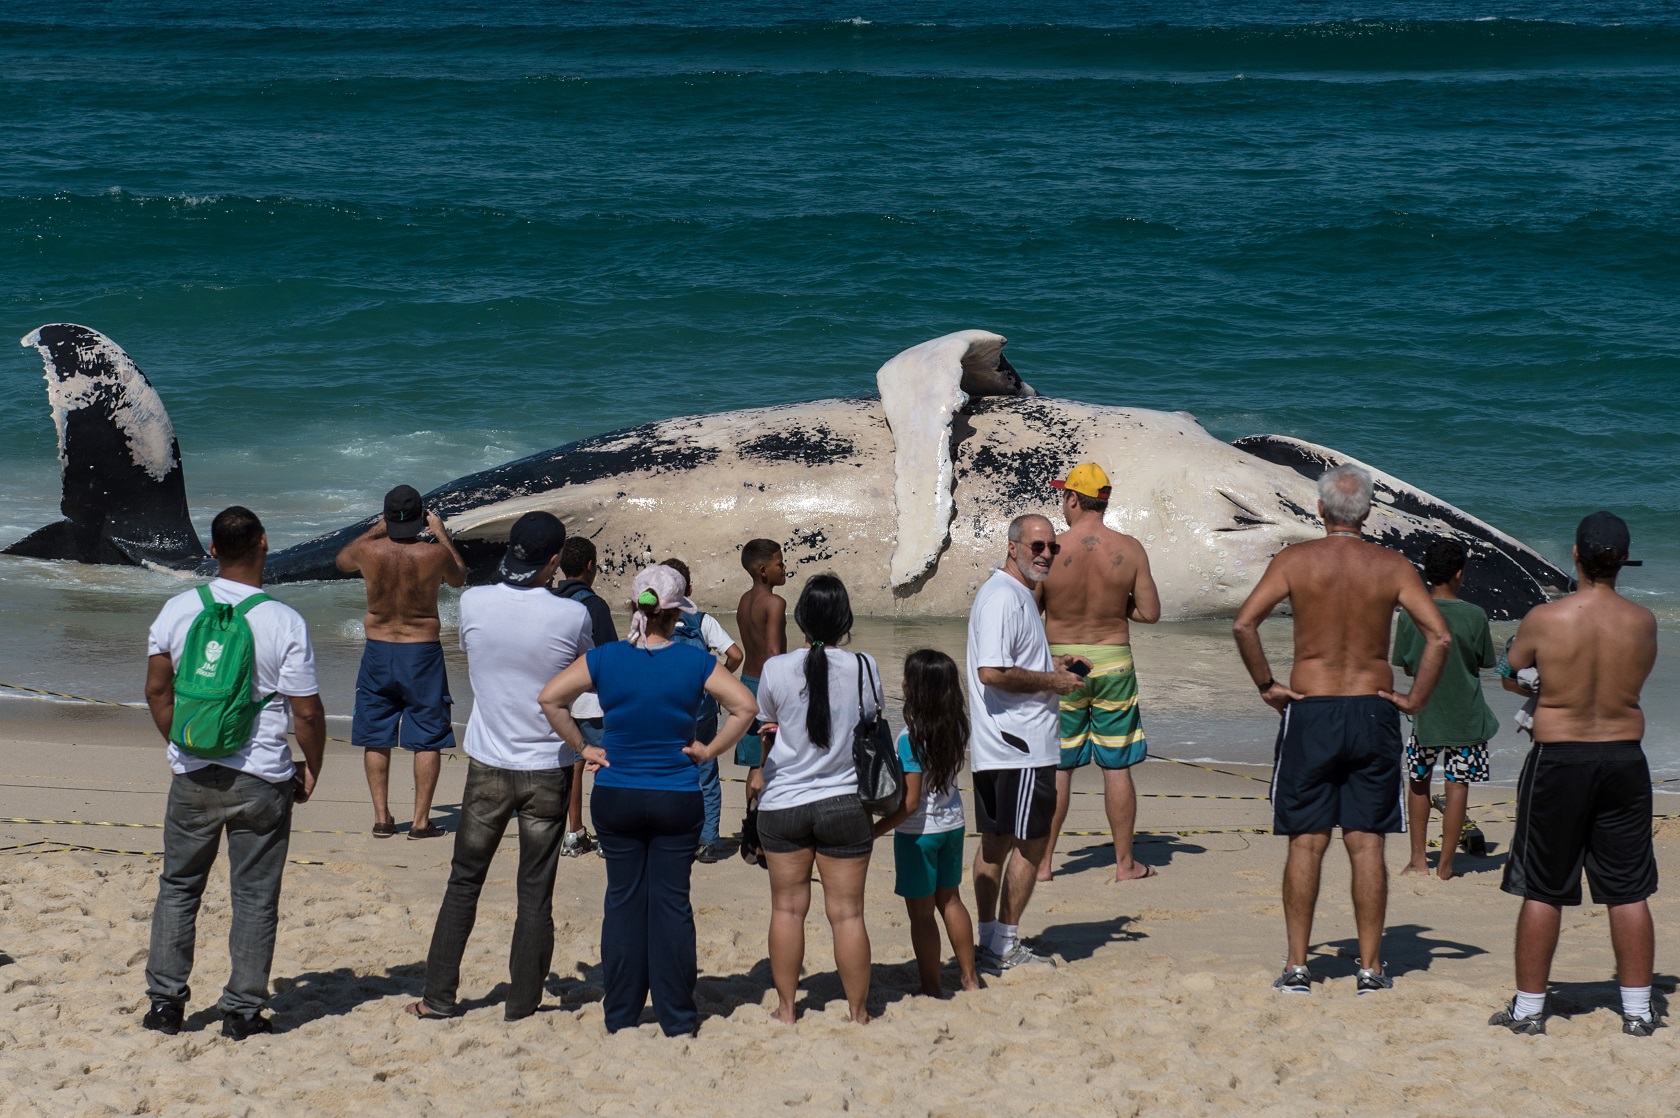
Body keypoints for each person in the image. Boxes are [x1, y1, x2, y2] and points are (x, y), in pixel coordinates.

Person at [1232, 463, 1450, 995]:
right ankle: (1371, 969)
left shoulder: (1296, 560)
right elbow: (1439, 637)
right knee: (1366, 844)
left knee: (1307, 843)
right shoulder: (1393, 565)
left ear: (1321, 510)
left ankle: (1298, 966)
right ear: (1369, 511)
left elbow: (1244, 623)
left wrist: (1266, 684)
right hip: (1372, 710)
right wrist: (1415, 699)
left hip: (1312, 708)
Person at [538, 565, 755, 1037]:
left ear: (637, 607)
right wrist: (709, 750)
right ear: (676, 612)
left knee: (623, 902)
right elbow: (746, 707)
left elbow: (550, 698)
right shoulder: (696, 662)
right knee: (672, 904)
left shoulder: (607, 658)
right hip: (677, 794)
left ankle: (620, 1015)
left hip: (618, 795)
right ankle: (677, 1018)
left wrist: (584, 748)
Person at [140, 506, 326, 1039]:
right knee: (254, 896)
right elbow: (307, 712)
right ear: (264, 543)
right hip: (263, 775)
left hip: (193, 773)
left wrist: (182, 742)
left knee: (178, 887)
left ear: (213, 549)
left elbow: (156, 690)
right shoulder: (283, 619)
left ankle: (165, 1006)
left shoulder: (177, 609)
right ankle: (242, 1012)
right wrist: (311, 766)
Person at [408, 513, 590, 1022]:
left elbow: (476, 651)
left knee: (463, 882)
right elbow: (587, 677)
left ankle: (439, 997)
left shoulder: (472, 601)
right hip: (547, 765)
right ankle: (523, 1002)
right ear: (555, 561)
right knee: (535, 890)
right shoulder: (571, 617)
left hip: (488, 763)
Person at [1489, 511, 1659, 1037]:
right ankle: (1637, 1010)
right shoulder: (1644, 622)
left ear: (1577, 556)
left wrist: (1529, 682)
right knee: (1628, 890)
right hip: (1624, 757)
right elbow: (1629, 678)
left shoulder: (1545, 618)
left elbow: (1510, 671)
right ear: (1622, 563)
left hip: (1559, 758)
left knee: (1544, 887)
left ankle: (1528, 1009)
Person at [754, 573, 881, 1024]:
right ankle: (859, 1012)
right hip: (844, 801)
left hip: (783, 801)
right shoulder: (864, 666)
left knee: (787, 909)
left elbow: (767, 725)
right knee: (847, 915)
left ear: (800, 618)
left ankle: (787, 1010)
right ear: (845, 620)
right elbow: (870, 719)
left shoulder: (775, 669)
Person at [967, 514, 1088, 972]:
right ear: (1012, 546)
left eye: (1052, 547)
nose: (1045, 554)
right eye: (1037, 546)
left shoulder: (1016, 593)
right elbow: (992, 673)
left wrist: (1051, 663)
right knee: (1030, 843)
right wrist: (1053, 682)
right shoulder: (1003, 596)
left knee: (996, 843)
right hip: (1019, 744)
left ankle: (989, 942)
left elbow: (1007, 659)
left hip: (1006, 741)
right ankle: (1002, 945)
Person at [1040, 462, 1162, 883]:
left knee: (1058, 767)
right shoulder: (1130, 549)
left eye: (1064, 495)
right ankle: (1125, 864)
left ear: (1072, 499)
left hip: (1061, 665)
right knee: (1116, 767)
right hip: (1113, 661)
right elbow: (1149, 612)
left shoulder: (1049, 549)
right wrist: (1114, 606)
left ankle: (1043, 863)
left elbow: (1028, 609)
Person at [335, 483, 466, 838]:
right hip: (421, 651)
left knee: (376, 735)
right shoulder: (434, 554)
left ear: (388, 516)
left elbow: (340, 560)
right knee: (427, 736)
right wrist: (440, 533)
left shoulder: (366, 550)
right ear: (421, 516)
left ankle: (382, 819)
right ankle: (421, 822)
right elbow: (459, 578)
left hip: (377, 649)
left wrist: (377, 528)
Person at [873, 648, 981, 997]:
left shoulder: (910, 737)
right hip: (953, 824)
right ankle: (969, 976)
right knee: (951, 901)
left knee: (921, 915)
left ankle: (932, 987)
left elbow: (910, 801)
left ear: (917, 688)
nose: (902, 682)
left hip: (918, 833)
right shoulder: (956, 727)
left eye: (907, 678)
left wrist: (876, 829)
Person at [1392, 539, 1499, 881]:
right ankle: (1447, 866)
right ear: (1458, 574)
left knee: (1419, 780)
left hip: (1424, 712)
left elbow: (1407, 667)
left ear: (1426, 574)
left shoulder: (1410, 615)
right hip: (1466, 714)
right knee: (1457, 786)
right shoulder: (1475, 614)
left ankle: (1417, 859)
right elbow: (1482, 662)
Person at [660, 558, 744, 863]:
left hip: (666, 711)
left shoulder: (652, 620)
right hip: (701, 710)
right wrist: (716, 682)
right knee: (706, 774)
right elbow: (735, 655)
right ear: (690, 588)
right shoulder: (702, 620)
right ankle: (708, 841)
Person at [552, 536, 618, 858]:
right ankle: (606, 837)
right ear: (590, 566)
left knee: (575, 766)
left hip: (560, 701)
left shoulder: (550, 601)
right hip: (592, 700)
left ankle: (574, 834)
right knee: (604, 763)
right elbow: (610, 656)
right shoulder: (594, 606)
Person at [735, 538, 787, 856]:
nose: (785, 568)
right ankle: (767, 835)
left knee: (755, 763)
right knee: (772, 764)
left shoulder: (743, 600)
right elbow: (772, 652)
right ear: (763, 570)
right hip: (768, 685)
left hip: (746, 683)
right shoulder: (775, 603)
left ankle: (752, 829)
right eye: (780, 564)